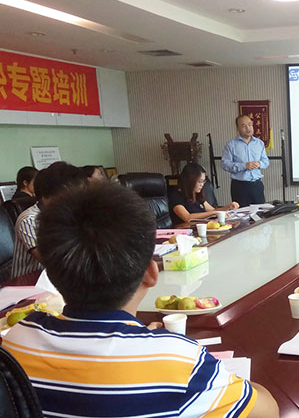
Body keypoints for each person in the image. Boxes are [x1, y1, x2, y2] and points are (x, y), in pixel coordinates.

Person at [4, 183, 278, 418]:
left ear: (52, 273)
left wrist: (137, 342)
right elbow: (267, 411)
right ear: (151, 272)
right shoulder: (176, 359)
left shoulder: (18, 339)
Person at [11, 162, 86, 279]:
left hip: (56, 280)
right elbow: (52, 262)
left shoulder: (67, 213)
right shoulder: (29, 220)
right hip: (29, 282)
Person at [222, 115, 270, 207]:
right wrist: (244, 166)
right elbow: (225, 164)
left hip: (257, 185)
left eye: (250, 124)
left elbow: (266, 161)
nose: (248, 128)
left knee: (260, 212)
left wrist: (259, 164)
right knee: (241, 213)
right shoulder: (231, 145)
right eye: (244, 126)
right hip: (240, 187)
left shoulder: (259, 143)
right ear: (238, 129)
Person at [169, 162, 239, 225]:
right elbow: (187, 218)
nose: (202, 185)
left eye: (203, 181)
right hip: (185, 231)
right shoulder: (176, 196)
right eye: (200, 181)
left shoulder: (197, 195)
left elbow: (213, 210)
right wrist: (213, 213)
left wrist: (228, 207)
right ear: (190, 181)